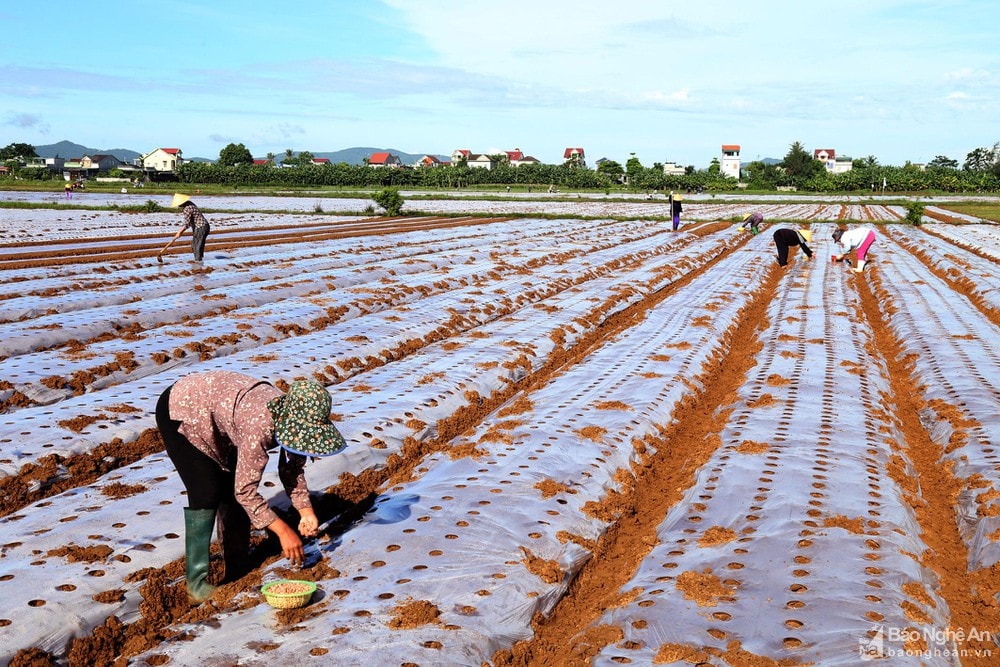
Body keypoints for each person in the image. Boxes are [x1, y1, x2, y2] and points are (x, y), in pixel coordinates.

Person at [155, 371, 347, 603]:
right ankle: (196, 584)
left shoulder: (293, 421)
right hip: (183, 409)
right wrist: (284, 531)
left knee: (231, 488)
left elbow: (291, 469)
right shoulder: (260, 425)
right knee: (207, 491)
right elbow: (245, 491)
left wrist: (305, 511)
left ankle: (237, 568)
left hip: (224, 415)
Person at [163, 193, 211, 262]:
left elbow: (187, 224)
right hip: (204, 226)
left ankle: (198, 262)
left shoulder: (187, 208)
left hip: (201, 227)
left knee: (196, 245)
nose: (178, 205)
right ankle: (200, 260)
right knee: (198, 244)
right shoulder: (190, 203)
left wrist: (179, 232)